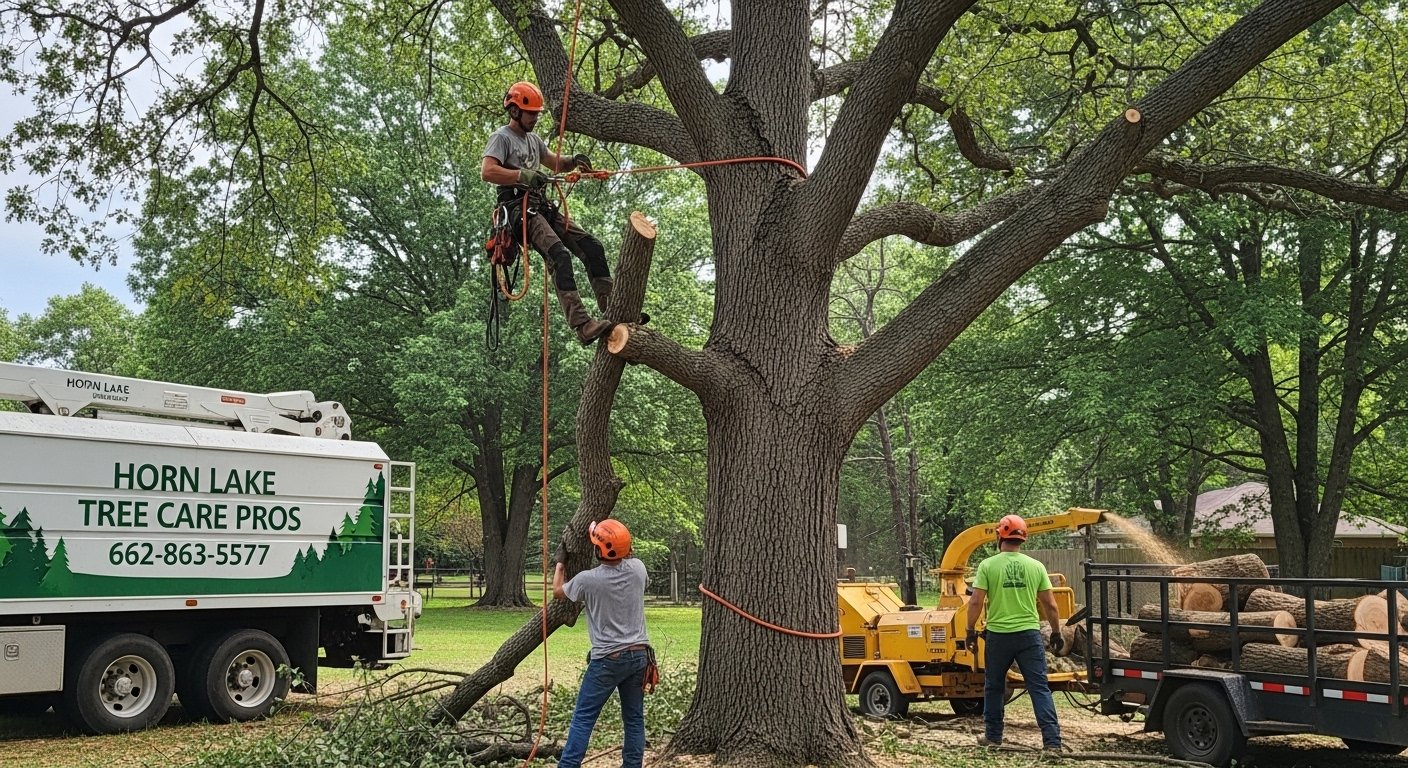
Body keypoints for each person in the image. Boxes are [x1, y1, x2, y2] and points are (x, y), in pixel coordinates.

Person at [481, 80, 614, 345]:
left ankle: (613, 308)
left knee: (592, 246)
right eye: (532, 113)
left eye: (537, 114)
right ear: (515, 111)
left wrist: (575, 162)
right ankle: (582, 325)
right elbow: (488, 171)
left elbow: (555, 163)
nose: (535, 118)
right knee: (559, 256)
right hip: (518, 210)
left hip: (540, 205)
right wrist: (522, 174)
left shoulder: (534, 140)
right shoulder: (501, 137)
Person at [552, 519, 652, 768]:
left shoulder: (588, 580)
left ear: (599, 550)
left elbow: (557, 591)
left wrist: (560, 562)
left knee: (584, 718)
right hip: (639, 656)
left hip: (608, 659)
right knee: (634, 718)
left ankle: (568, 765)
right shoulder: (638, 569)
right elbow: (623, 556)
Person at [965, 513, 1064, 752]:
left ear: (1000, 535)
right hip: (1029, 636)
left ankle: (993, 737)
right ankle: (1052, 743)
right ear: (1023, 538)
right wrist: (1056, 632)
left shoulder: (988, 565)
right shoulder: (1036, 566)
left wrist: (969, 630)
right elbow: (1050, 605)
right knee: (1039, 687)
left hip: (998, 636)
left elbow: (976, 602)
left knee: (994, 686)